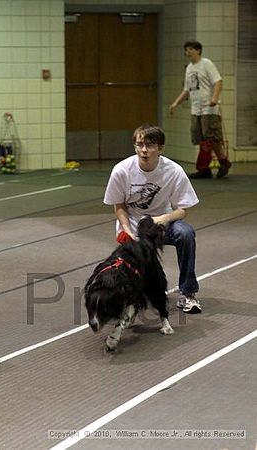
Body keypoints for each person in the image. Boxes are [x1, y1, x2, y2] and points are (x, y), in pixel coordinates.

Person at [104, 123, 201, 314]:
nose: (144, 150)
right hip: (132, 226)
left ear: (160, 148)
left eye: (150, 145)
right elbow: (119, 205)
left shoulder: (173, 171)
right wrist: (126, 229)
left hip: (160, 226)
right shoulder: (122, 170)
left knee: (186, 233)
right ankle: (130, 296)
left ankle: (188, 293)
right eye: (140, 145)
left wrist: (164, 218)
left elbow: (182, 210)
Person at [169, 39, 231, 179]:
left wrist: (214, 98)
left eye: (191, 49)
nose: (188, 52)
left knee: (212, 138)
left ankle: (223, 162)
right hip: (196, 108)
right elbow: (187, 89)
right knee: (200, 138)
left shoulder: (206, 64)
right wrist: (175, 103)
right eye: (186, 50)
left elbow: (218, 81)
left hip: (209, 108)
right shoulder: (189, 68)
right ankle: (205, 169)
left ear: (198, 50)